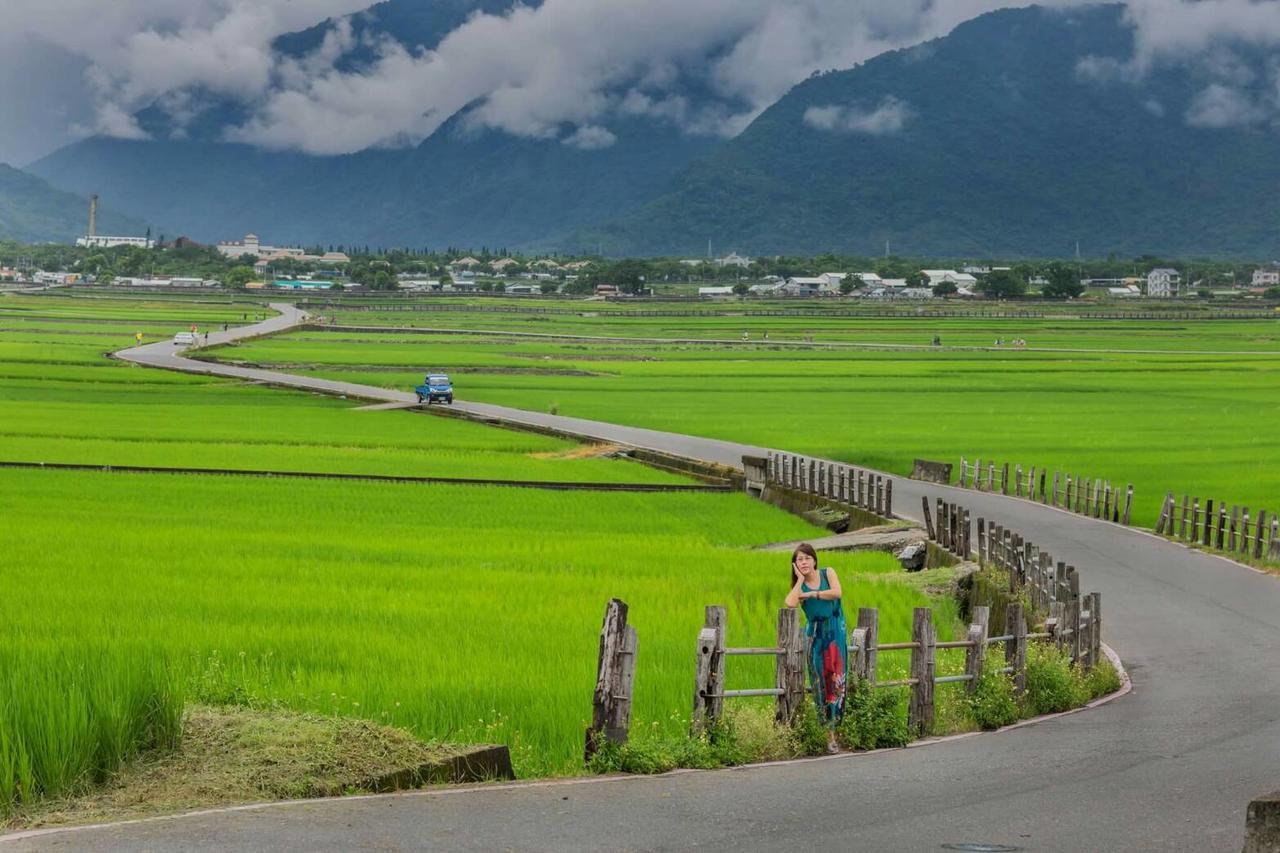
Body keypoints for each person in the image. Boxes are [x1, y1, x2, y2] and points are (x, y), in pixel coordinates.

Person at [784, 543, 846, 751]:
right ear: (795, 565)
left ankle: (839, 728)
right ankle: (829, 736)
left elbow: (837, 593)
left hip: (836, 635)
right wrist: (800, 580)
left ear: (814, 560)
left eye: (807, 558)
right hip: (816, 639)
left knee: (838, 682)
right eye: (799, 559)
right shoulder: (799, 587)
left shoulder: (828, 573)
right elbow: (790, 603)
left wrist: (812, 595)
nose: (804, 562)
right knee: (821, 685)